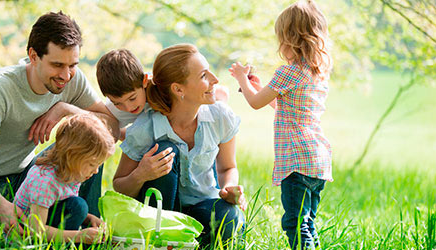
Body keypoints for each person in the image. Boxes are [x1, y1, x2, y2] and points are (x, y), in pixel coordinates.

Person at [0, 11, 118, 233]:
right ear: (33, 56)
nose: (66, 75)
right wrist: (3, 207)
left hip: (25, 178)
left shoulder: (72, 79)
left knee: (89, 148)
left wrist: (65, 110)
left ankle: (89, 225)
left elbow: (110, 127)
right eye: (57, 65)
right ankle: (39, 227)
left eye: (72, 64)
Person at [112, 44, 246, 246]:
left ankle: (185, 242)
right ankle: (165, 240)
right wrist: (141, 174)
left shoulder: (220, 116)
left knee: (230, 218)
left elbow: (228, 167)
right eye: (203, 76)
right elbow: (119, 186)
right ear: (178, 89)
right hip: (160, 214)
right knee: (167, 149)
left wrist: (229, 188)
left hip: (202, 206)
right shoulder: (145, 128)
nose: (215, 80)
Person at [229, 1, 333, 249]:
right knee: (307, 223)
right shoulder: (315, 72)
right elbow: (283, 106)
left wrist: (242, 78)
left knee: (295, 224)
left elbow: (255, 103)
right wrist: (255, 86)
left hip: (296, 160)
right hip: (317, 159)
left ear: (290, 40)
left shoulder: (287, 72)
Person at [14, 114, 114, 244]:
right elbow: (35, 230)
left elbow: (62, 205)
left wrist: (89, 219)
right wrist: (79, 236)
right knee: (79, 206)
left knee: (79, 206)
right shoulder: (45, 181)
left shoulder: (73, 173)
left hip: (46, 225)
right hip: (27, 238)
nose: (95, 171)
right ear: (72, 155)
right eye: (91, 164)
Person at [96, 48, 229, 139]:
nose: (128, 108)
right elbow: (111, 130)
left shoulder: (160, 86)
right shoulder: (114, 110)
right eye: (118, 103)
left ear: (144, 81)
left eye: (132, 98)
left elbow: (193, 90)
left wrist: (220, 99)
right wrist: (134, 139)